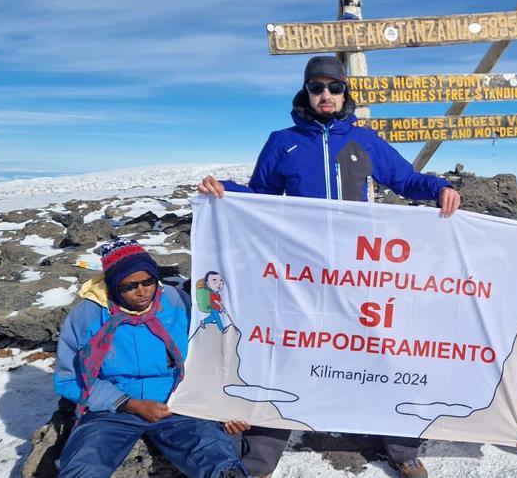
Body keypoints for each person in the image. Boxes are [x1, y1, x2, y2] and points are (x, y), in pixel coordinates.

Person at [198, 56, 461, 478]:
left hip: (362, 270)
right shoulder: (282, 141)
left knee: (378, 349)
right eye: (317, 87)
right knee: (287, 351)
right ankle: (260, 458)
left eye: (334, 88)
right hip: (305, 272)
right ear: (306, 91)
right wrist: (224, 191)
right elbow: (260, 197)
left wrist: (439, 187)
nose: (326, 95)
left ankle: (401, 447)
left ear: (345, 93)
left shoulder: (366, 141)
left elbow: (405, 179)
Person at [54, 238, 247, 478]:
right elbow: (69, 378)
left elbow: (211, 357)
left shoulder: (179, 303)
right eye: (129, 286)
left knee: (219, 462)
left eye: (149, 281)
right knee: (83, 466)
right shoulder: (87, 315)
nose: (142, 291)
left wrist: (224, 405)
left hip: (179, 404)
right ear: (113, 285)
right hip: (111, 410)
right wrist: (129, 403)